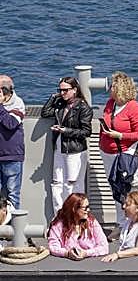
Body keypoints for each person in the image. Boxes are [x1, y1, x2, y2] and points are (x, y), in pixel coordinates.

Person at [41, 76, 93, 211]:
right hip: (60, 148)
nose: (62, 93)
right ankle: (59, 214)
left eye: (65, 90)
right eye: (60, 90)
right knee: (57, 183)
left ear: (75, 90)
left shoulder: (83, 108)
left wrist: (66, 131)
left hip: (74, 151)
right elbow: (45, 112)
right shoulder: (61, 105)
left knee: (73, 184)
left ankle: (75, 213)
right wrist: (53, 97)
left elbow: (86, 131)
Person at [98, 71, 138, 204]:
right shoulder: (110, 104)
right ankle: (121, 222)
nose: (109, 89)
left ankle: (136, 219)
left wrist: (120, 136)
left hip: (125, 154)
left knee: (130, 187)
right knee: (116, 188)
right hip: (108, 153)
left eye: (112, 86)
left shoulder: (133, 107)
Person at [100, 190, 138, 262]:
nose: (123, 206)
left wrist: (117, 254)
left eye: (127, 204)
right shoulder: (128, 222)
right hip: (128, 262)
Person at [46, 193, 107, 259]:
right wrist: (67, 253)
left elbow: (104, 247)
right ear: (74, 209)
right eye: (85, 208)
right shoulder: (58, 225)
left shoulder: (92, 222)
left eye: (88, 207)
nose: (88, 210)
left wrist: (86, 253)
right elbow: (53, 247)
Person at [0, 74, 26, 207]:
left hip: (12, 156)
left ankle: (13, 226)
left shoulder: (18, 103)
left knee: (12, 194)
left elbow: (10, 123)